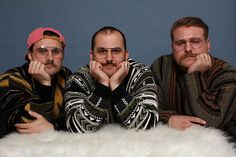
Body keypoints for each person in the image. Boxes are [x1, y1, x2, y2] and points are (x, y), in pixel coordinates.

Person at [151, 16, 236, 139]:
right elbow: (148, 108)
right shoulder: (161, 66)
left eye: (195, 41)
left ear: (208, 44)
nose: (188, 49)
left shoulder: (226, 73)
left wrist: (193, 75)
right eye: (180, 43)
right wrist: (169, 119)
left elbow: (212, 121)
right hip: (172, 142)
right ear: (172, 47)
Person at [64, 26, 159, 133]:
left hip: (133, 147)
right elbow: (75, 129)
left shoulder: (141, 73)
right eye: (102, 51)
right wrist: (102, 85)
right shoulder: (78, 79)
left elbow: (148, 125)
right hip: (94, 147)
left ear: (126, 55)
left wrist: (116, 86)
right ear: (92, 55)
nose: (109, 58)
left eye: (116, 51)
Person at [0, 27, 72, 137]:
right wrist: (44, 84)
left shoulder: (65, 76)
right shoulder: (10, 80)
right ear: (30, 55)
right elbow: (24, 125)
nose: (50, 58)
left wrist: (53, 127)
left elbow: (76, 116)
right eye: (42, 51)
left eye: (56, 51)